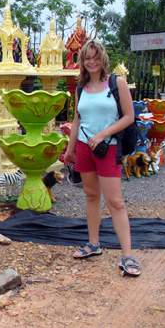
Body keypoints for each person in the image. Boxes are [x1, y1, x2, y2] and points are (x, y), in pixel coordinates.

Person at [64, 39, 141, 277]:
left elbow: (129, 117)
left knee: (115, 201)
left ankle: (127, 255)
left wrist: (104, 133)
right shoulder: (81, 88)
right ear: (82, 61)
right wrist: (70, 149)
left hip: (108, 146)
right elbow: (77, 119)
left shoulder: (116, 83)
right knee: (90, 195)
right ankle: (93, 243)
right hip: (85, 147)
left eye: (95, 57)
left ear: (103, 59)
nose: (92, 61)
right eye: (87, 58)